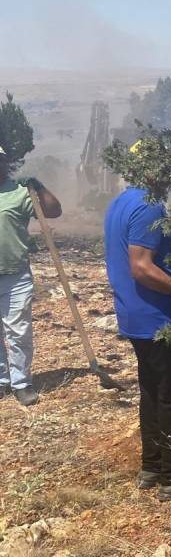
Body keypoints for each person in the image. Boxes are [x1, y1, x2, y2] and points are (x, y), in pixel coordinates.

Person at [104, 147, 171, 501]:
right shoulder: (149, 206)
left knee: (153, 392)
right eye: (164, 168)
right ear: (151, 170)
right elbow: (142, 267)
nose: (170, 176)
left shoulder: (122, 201)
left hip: (135, 317)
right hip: (159, 318)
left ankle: (152, 467)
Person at [0, 145, 62, 406]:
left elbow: (53, 211)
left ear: (5, 163)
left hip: (15, 274)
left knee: (18, 330)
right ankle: (2, 380)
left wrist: (38, 186)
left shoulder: (20, 192)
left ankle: (21, 383)